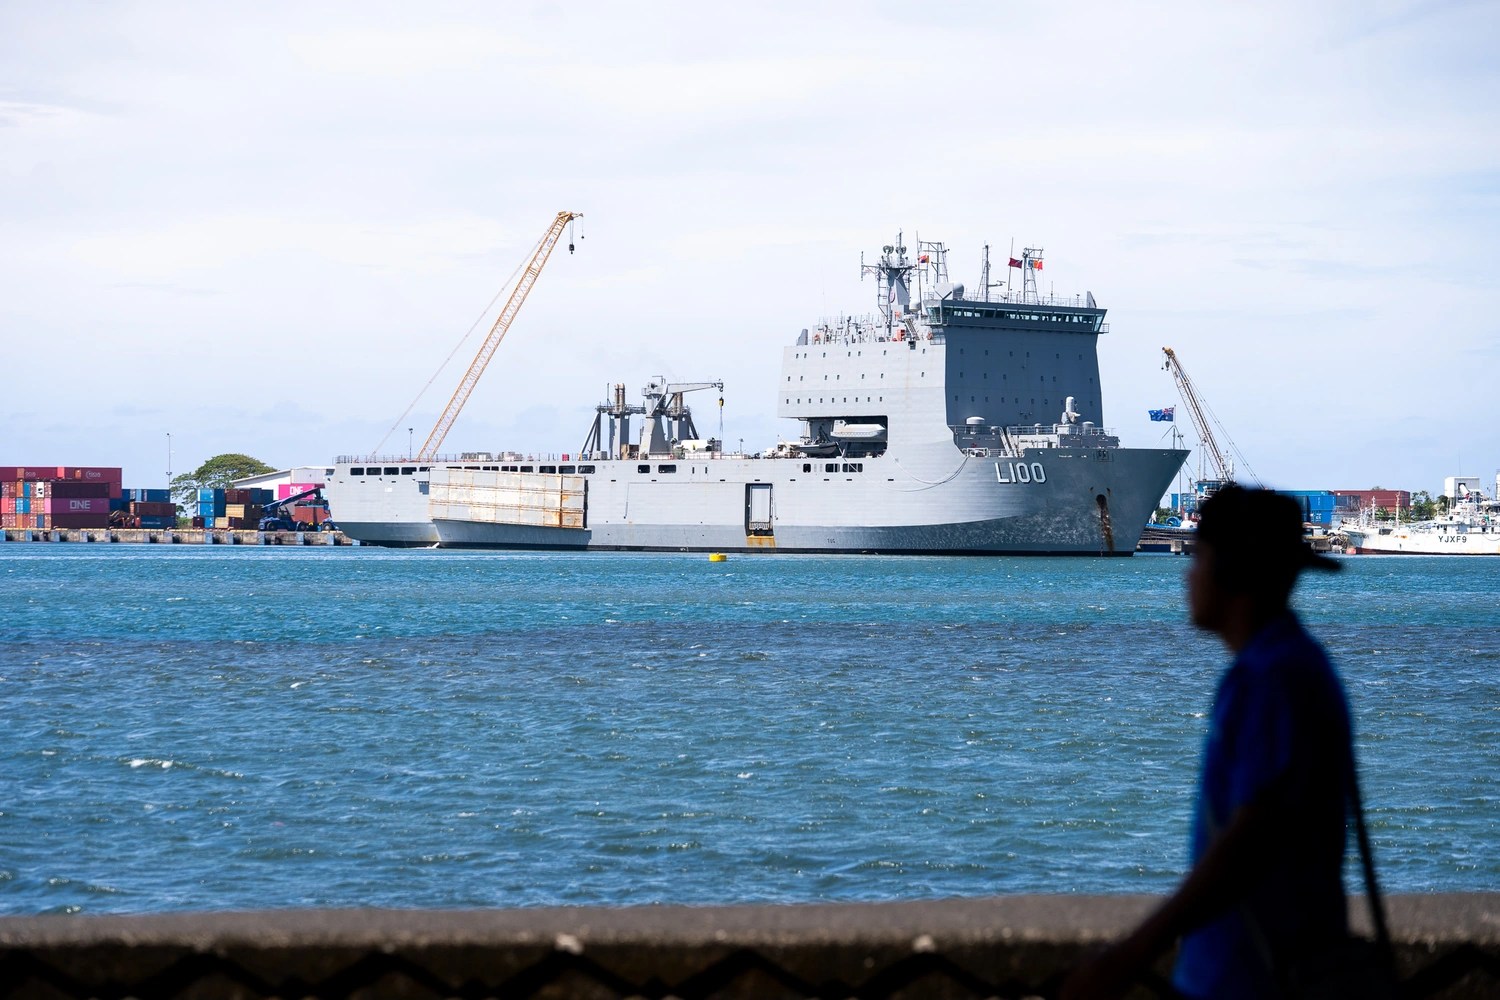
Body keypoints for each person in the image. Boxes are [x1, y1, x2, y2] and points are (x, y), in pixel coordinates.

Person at [1063, 486, 1353, 1000]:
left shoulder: (1267, 680)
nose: (1187, 575)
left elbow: (1247, 844)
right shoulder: (1296, 665)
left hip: (1247, 978)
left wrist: (1129, 955)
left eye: (1198, 557)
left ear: (1231, 572)